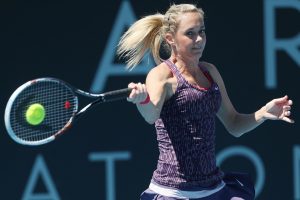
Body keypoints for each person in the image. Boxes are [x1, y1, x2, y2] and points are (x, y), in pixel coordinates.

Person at [117, 3, 294, 200]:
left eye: (201, 31)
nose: (199, 39)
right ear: (171, 39)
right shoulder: (161, 76)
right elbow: (151, 115)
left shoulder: (210, 72)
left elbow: (234, 123)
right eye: (190, 33)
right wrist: (143, 99)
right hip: (173, 193)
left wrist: (263, 113)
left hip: (215, 189)